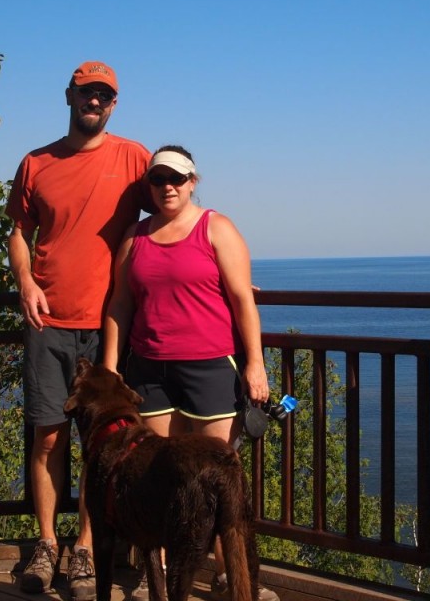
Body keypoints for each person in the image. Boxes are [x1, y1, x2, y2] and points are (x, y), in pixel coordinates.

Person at [103, 145, 279, 601]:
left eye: (176, 179)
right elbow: (120, 304)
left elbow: (243, 299)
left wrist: (256, 364)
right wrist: (108, 369)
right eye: (159, 180)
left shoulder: (215, 228)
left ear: (193, 181)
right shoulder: (135, 237)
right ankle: (155, 576)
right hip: (149, 370)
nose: (167, 187)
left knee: (220, 480)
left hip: (210, 367)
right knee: (153, 478)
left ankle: (228, 575)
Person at [6, 60, 151, 601]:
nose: (95, 101)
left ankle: (86, 547)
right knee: (47, 437)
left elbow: (169, 212)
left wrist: (215, 274)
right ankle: (47, 544)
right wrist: (24, 281)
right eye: (87, 92)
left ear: (114, 103)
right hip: (48, 322)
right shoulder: (36, 162)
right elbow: (19, 230)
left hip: (108, 327)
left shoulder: (134, 157)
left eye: (105, 95)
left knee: (102, 448)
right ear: (68, 95)